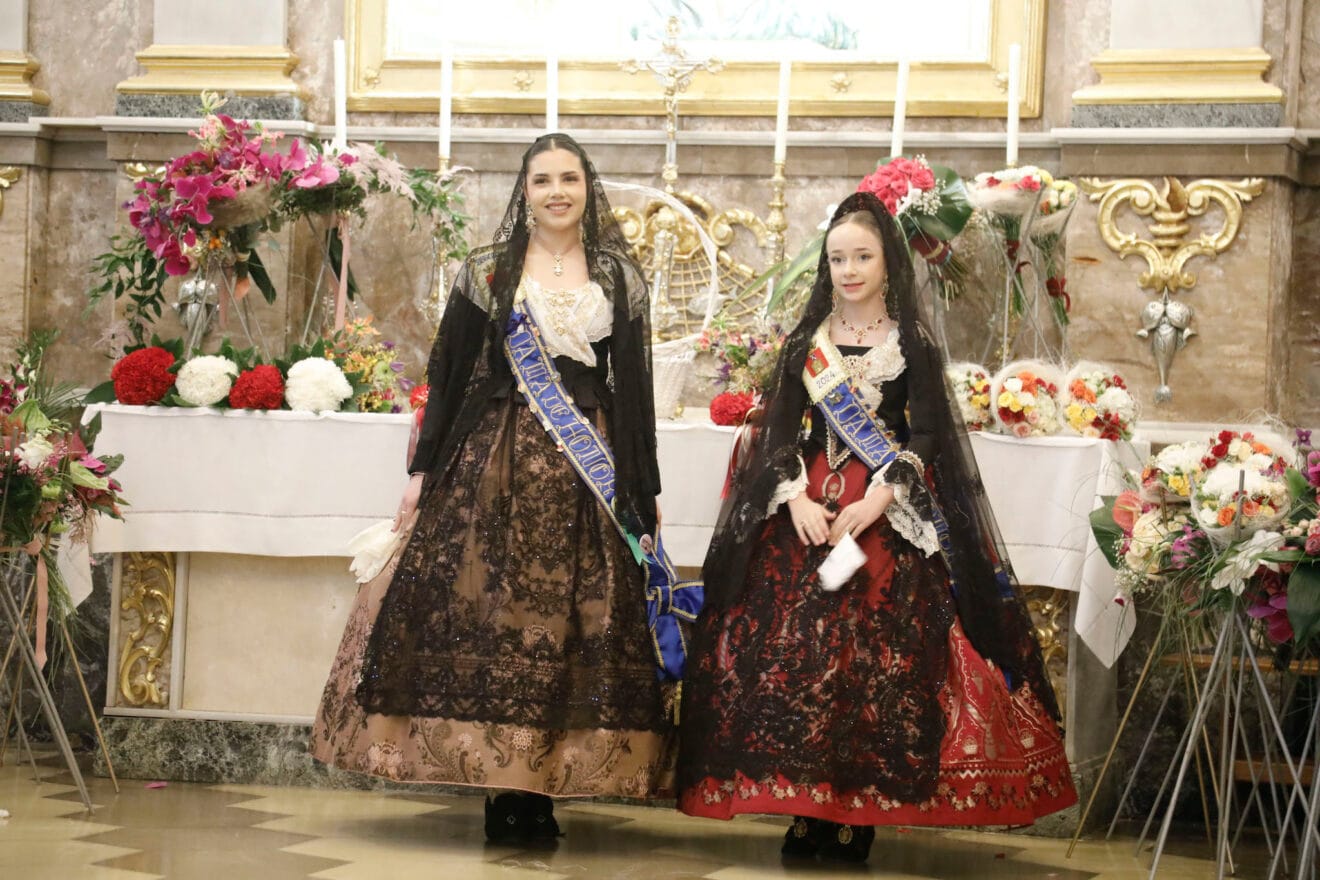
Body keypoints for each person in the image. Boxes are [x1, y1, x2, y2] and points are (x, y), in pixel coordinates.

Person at [675, 192, 1077, 863]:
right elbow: (777, 427)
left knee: (869, 658)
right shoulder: (808, 341)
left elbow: (926, 434)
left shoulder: (910, 340)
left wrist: (880, 500)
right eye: (837, 258)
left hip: (882, 511)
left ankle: (855, 812)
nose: (849, 268)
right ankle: (803, 805)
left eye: (862, 256)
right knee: (794, 656)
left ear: (888, 262)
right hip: (808, 508)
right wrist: (796, 497)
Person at [311, 133, 674, 843]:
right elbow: (447, 379)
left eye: (570, 177)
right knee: (495, 620)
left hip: (585, 474)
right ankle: (499, 786)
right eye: (543, 180)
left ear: (587, 187)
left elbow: (636, 392)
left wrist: (644, 485)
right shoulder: (487, 272)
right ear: (525, 191)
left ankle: (542, 786)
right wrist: (421, 477)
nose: (558, 191)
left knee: (569, 627)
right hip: (493, 467)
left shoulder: (620, 277)